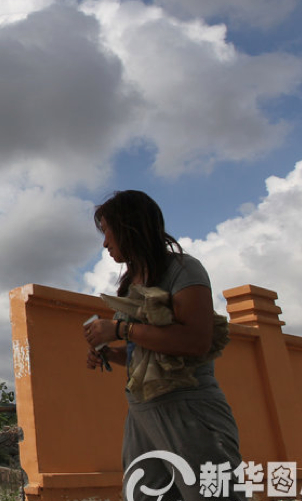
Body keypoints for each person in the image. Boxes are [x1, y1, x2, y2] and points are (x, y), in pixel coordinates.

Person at [83, 190, 244, 501]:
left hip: (189, 409)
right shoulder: (131, 284)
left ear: (130, 227)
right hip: (142, 411)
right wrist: (110, 353)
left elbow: (196, 341)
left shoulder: (183, 270)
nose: (105, 243)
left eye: (107, 232)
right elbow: (148, 352)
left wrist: (119, 328)